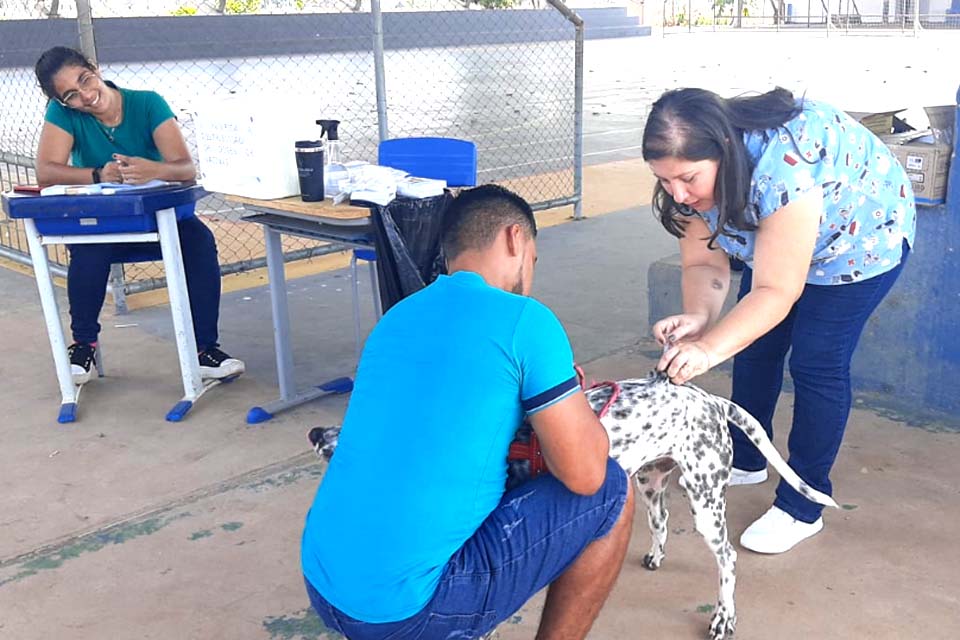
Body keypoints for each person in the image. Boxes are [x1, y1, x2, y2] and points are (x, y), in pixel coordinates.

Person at [300, 184, 635, 640]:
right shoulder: (524, 319)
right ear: (516, 239)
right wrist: (571, 398)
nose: (530, 273)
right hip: (409, 613)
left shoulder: (399, 317)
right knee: (615, 490)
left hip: (324, 583)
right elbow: (586, 475)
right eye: (533, 259)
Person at [643, 87, 915, 554]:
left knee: (816, 363)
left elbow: (777, 291)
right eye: (665, 181)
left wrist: (707, 350)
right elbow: (704, 266)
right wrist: (699, 317)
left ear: (724, 150)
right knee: (754, 345)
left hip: (860, 241)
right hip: (785, 238)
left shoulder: (782, 167)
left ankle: (803, 503)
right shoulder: (687, 181)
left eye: (688, 179)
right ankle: (746, 458)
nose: (679, 195)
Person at [33, 46, 243, 384]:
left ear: (95, 69)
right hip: (106, 226)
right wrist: (98, 175)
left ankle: (204, 350)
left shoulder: (147, 102)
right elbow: (46, 172)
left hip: (161, 222)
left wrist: (153, 169)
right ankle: (83, 346)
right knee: (88, 248)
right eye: (71, 95)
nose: (86, 96)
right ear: (61, 102)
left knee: (199, 240)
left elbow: (187, 169)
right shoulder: (64, 115)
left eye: (85, 80)